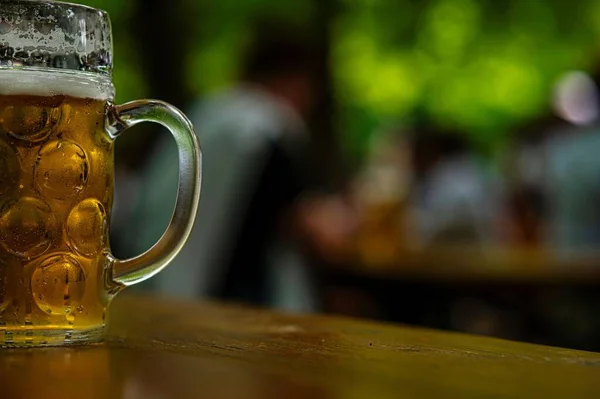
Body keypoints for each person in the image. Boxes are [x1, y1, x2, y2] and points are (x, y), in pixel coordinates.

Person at [121, 24, 356, 310]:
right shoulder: (267, 127)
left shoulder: (206, 112)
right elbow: (316, 229)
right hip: (223, 304)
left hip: (148, 286)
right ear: (298, 80)